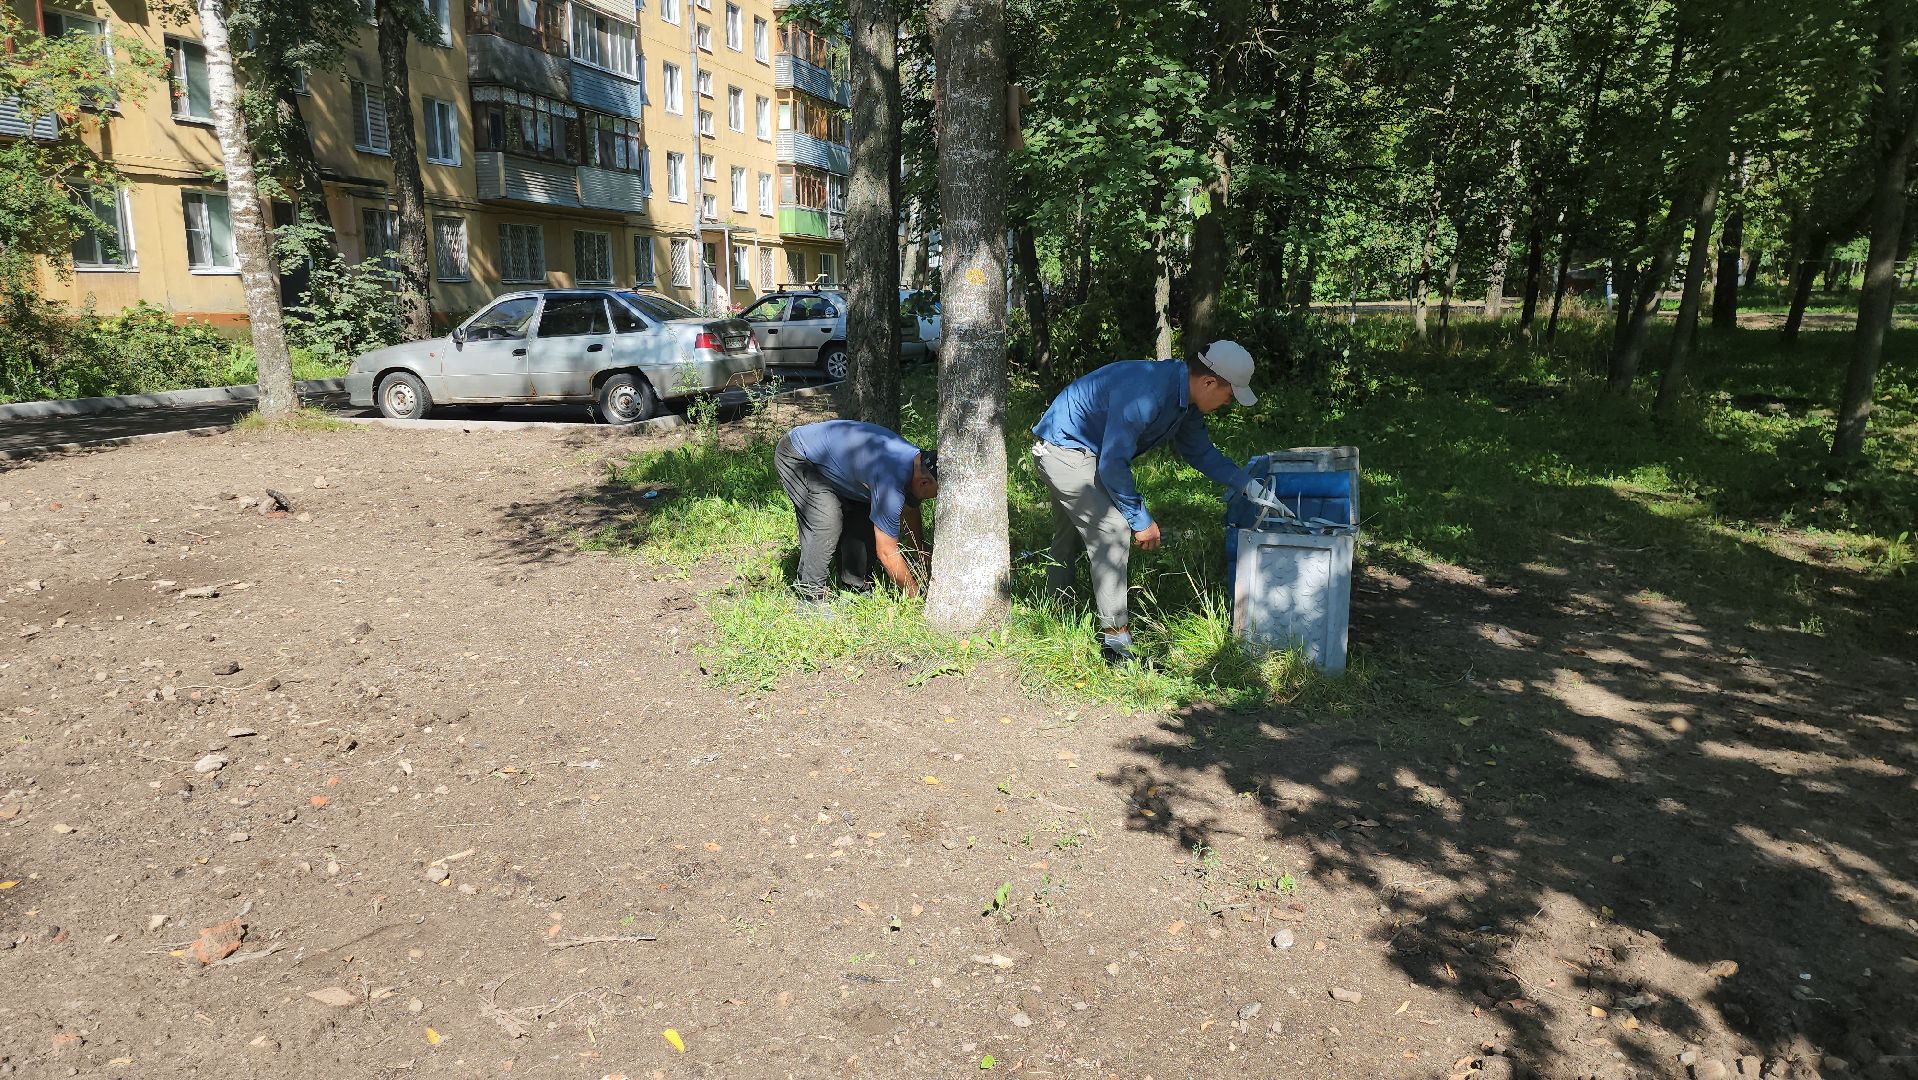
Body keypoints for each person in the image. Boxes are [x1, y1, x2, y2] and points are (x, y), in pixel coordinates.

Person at [1030, 340, 1273, 664]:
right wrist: (1141, 520)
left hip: (1087, 449)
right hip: (1064, 448)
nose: (1228, 403)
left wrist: (1247, 485)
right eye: (1229, 395)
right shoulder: (1150, 393)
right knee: (1112, 531)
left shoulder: (1184, 401)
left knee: (1072, 533)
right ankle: (1116, 645)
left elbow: (1201, 452)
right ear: (1209, 382)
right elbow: (1113, 464)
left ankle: (1056, 609)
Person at [775, 420, 938, 601]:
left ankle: (855, 587)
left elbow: (909, 508)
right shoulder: (891, 481)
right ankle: (810, 594)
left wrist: (919, 551)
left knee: (864, 515)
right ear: (924, 482)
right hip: (800, 454)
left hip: (838, 466)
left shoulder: (917, 463)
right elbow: (886, 552)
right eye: (938, 494)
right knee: (827, 519)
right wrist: (915, 596)